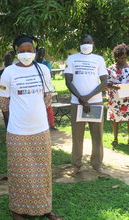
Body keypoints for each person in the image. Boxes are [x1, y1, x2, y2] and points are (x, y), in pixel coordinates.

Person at [0, 34, 62, 220]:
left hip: (40, 130)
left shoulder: (43, 70)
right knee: (18, 172)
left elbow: (47, 99)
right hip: (17, 131)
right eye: (22, 51)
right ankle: (17, 210)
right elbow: (4, 103)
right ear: (16, 51)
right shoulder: (8, 72)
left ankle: (44, 207)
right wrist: (11, 125)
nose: (26, 54)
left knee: (43, 170)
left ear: (35, 51)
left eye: (30, 50)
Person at [65, 34, 108, 173]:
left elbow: (104, 81)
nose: (86, 44)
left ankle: (97, 163)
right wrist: (80, 98)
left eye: (88, 42)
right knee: (77, 136)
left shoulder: (99, 59)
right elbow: (68, 80)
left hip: (95, 102)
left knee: (97, 135)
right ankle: (76, 164)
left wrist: (87, 97)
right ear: (80, 44)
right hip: (77, 103)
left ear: (93, 43)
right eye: (84, 42)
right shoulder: (72, 58)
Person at [106, 43, 129, 146]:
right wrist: (113, 86)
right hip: (115, 97)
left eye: (124, 58)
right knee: (115, 118)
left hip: (128, 98)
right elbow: (106, 83)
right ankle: (115, 139)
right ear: (116, 57)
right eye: (120, 58)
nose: (122, 60)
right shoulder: (111, 69)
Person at [35, 48, 58, 131]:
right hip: (35, 88)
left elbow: (47, 75)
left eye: (43, 53)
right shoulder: (33, 63)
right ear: (36, 53)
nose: (41, 55)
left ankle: (51, 124)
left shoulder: (46, 63)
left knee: (48, 107)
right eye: (39, 53)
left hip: (46, 88)